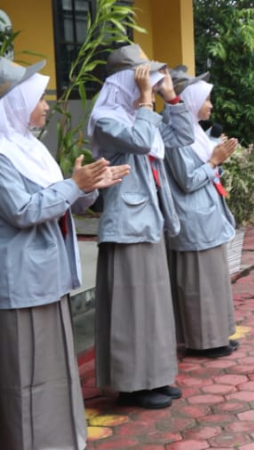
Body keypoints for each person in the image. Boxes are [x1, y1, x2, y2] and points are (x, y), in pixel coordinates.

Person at [0, 57, 128, 450]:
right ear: (14, 102)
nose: (46, 107)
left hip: (48, 275)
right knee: (25, 372)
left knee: (53, 369)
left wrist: (90, 185)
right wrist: (74, 185)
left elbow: (60, 198)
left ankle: (57, 438)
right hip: (21, 279)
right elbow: (23, 211)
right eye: (38, 99)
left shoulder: (28, 148)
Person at [89, 44, 195, 409]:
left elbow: (182, 137)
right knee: (132, 309)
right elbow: (136, 142)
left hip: (150, 220)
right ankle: (133, 385)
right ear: (123, 83)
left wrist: (171, 97)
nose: (144, 87)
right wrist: (149, 103)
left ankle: (154, 377)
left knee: (152, 307)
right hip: (127, 225)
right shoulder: (107, 118)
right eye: (140, 80)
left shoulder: (141, 117)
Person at [165, 66, 241, 359]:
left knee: (213, 280)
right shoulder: (175, 136)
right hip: (193, 217)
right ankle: (202, 341)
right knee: (198, 283)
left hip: (207, 214)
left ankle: (215, 335)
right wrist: (214, 161)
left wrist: (216, 158)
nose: (210, 106)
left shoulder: (195, 132)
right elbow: (187, 179)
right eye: (206, 100)